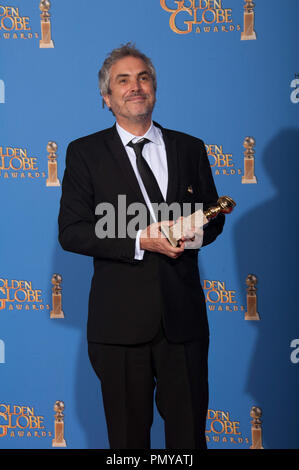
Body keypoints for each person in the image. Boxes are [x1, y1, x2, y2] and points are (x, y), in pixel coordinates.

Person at [58, 43, 225, 449]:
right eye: (123, 80)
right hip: (118, 327)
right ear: (107, 97)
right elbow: (73, 231)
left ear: (154, 89)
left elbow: (212, 219)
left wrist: (191, 232)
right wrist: (139, 240)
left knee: (188, 441)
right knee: (128, 444)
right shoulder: (85, 153)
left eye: (143, 78)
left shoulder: (190, 148)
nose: (136, 87)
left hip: (183, 324)